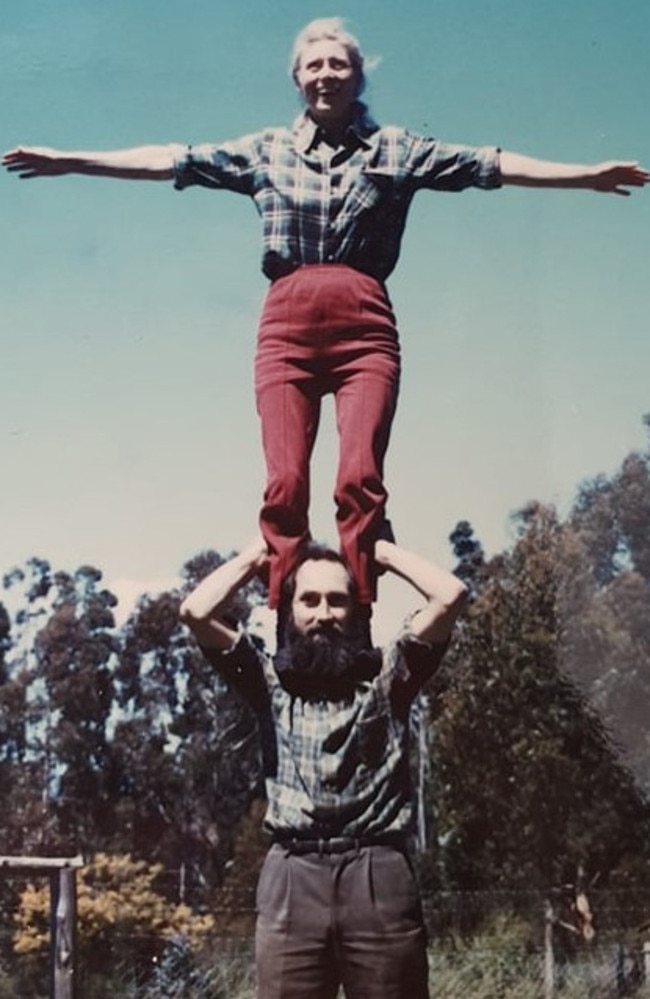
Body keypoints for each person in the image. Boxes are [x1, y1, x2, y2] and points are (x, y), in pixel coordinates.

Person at [3, 18, 648, 611]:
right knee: (285, 480)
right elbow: (172, 159)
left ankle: (356, 613)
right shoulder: (265, 151)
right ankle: (287, 613)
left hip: (365, 322)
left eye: (338, 64)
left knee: (360, 476)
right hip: (285, 324)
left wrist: (585, 176)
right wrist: (69, 161)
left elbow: (490, 165)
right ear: (297, 78)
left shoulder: (396, 149)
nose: (325, 75)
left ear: (357, 76)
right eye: (313, 65)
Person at [179, 533, 468, 999]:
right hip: (292, 877)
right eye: (308, 600)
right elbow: (195, 612)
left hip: (378, 872)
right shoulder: (267, 684)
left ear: (356, 611)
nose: (323, 614)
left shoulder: (389, 681)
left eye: (338, 601)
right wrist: (261, 554)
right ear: (288, 609)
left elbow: (451, 596)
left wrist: (380, 553)